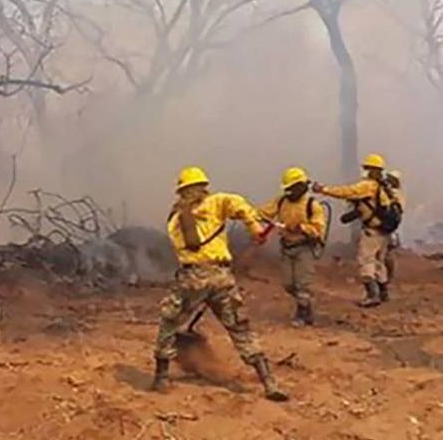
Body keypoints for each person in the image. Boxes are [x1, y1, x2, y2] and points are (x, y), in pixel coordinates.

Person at [152, 166, 288, 402]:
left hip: (192, 278)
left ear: (181, 191)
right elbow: (241, 205)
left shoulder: (174, 219)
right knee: (239, 327)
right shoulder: (217, 202)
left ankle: (161, 378)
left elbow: (182, 249)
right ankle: (269, 383)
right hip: (221, 277)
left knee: (169, 322)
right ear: (204, 187)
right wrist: (255, 229)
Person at [313, 153, 400, 307]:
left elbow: (346, 191)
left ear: (373, 170)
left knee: (365, 260)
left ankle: (372, 295)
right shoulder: (385, 187)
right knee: (378, 261)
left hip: (372, 231)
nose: (365, 171)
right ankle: (383, 292)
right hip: (384, 231)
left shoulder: (368, 186)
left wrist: (323, 189)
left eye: (367, 168)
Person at [259, 167, 327, 327]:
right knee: (288, 284)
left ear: (300, 186)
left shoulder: (312, 205)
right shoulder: (282, 201)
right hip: (286, 247)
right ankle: (305, 306)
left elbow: (318, 229)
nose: (289, 192)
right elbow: (264, 211)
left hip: (304, 248)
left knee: (302, 283)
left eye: (291, 188)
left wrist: (301, 228)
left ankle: (303, 313)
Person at [384, 170, 405, 287]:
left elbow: (398, 210)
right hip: (388, 225)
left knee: (388, 253)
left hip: (392, 225)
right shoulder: (387, 192)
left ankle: (389, 277)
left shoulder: (396, 195)